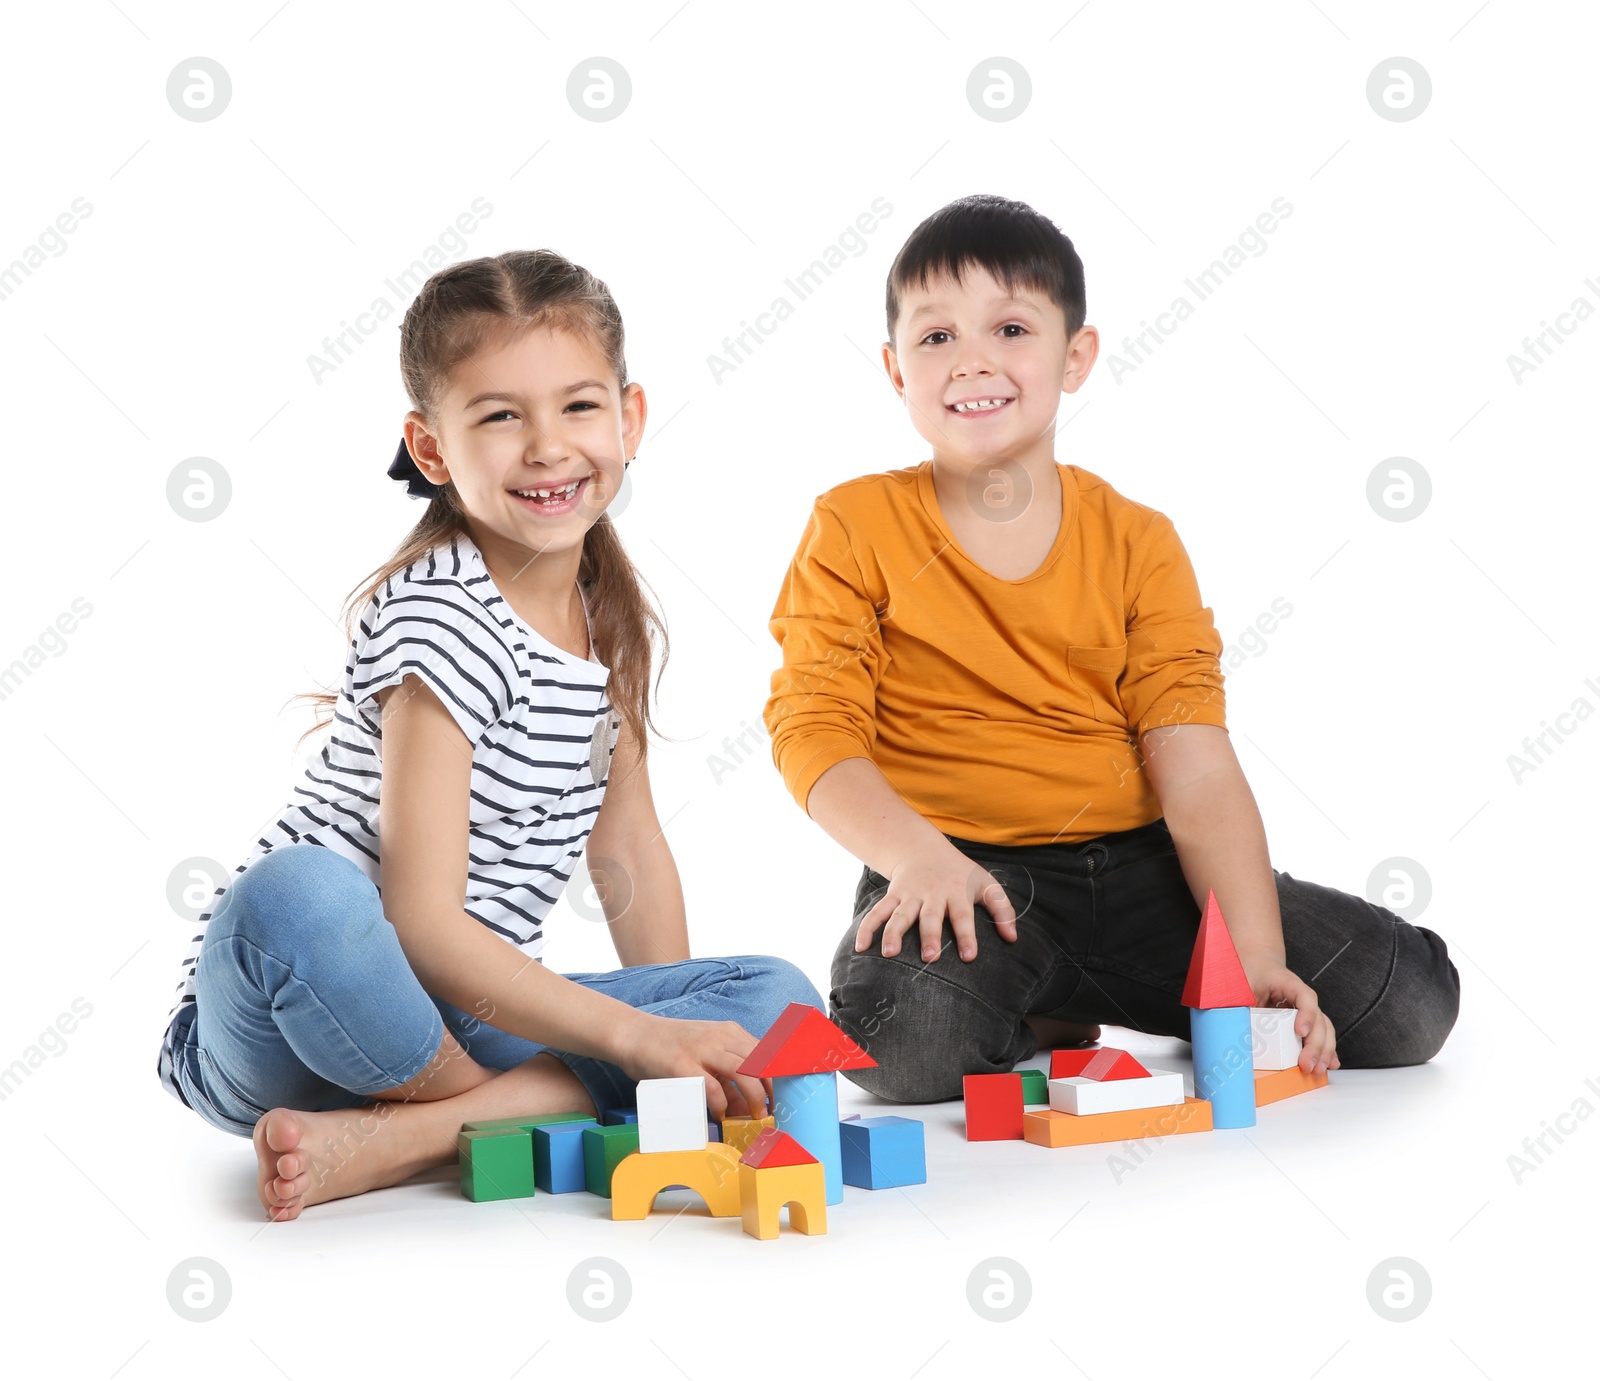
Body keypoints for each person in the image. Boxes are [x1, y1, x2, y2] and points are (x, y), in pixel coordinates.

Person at [156, 249, 821, 1220]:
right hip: (291, 1016)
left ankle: (408, 1135)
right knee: (299, 894)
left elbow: (627, 849)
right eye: (500, 416)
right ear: (432, 451)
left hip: (456, 1019)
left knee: (778, 997)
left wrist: (678, 1058)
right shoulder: (441, 622)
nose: (548, 447)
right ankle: (487, 1114)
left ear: (629, 421)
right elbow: (420, 924)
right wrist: (634, 1048)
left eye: (578, 407)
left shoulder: (602, 620)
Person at [763, 194, 1459, 1103]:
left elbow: (1198, 770)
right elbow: (815, 729)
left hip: (1143, 869)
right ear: (896, 370)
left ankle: (1091, 989)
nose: (972, 359)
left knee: (1411, 1006)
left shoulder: (1138, 540)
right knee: (907, 1055)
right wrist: (918, 859)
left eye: (1010, 328)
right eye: (936, 339)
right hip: (962, 870)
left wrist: (1250, 959)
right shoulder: (853, 523)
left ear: (1075, 355)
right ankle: (1040, 1000)